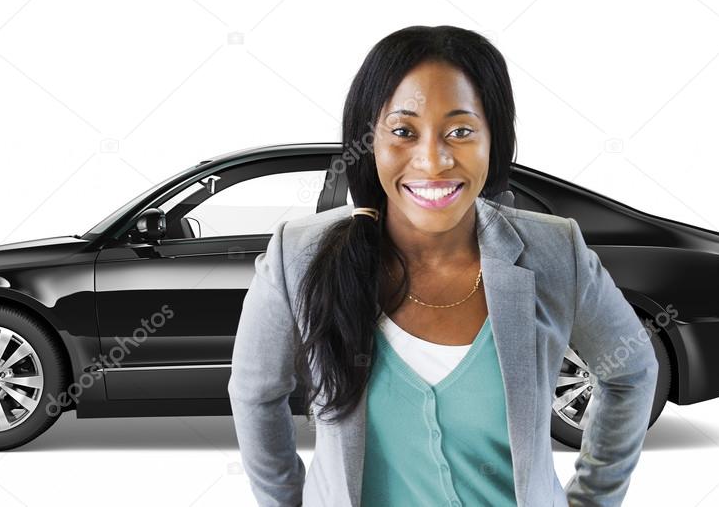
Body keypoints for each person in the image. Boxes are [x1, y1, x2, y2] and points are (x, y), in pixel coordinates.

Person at [228, 25, 659, 506]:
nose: (432, 161)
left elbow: (632, 372)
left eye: (460, 131)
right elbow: (255, 396)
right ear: (368, 141)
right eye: (403, 131)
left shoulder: (555, 251)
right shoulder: (299, 255)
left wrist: (594, 500)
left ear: (494, 139)